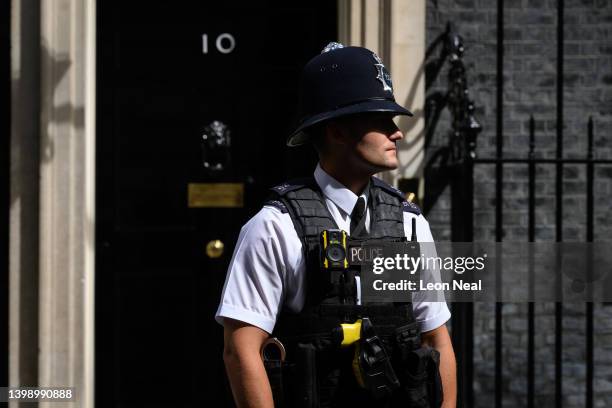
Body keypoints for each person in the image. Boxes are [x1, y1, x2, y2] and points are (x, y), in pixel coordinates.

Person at [216, 42, 456, 408]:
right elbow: (241, 350)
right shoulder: (275, 227)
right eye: (380, 120)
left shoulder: (409, 224)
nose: (398, 133)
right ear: (337, 131)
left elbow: (436, 339)